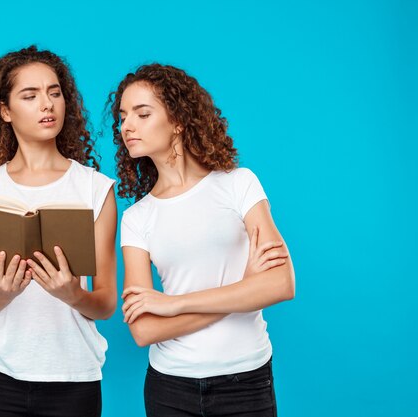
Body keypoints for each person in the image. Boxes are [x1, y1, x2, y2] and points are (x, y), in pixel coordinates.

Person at [108, 63, 295, 417]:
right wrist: (244, 289)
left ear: (178, 120)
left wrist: (174, 304)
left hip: (247, 381)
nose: (126, 126)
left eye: (142, 113)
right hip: (170, 387)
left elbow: (281, 284)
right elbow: (144, 330)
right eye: (122, 117)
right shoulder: (136, 219)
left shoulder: (238, 185)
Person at [0, 46, 117, 417]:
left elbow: (106, 303)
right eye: (31, 95)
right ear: (5, 111)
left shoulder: (96, 189)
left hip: (74, 377)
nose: (47, 104)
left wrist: (72, 293)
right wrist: (3, 294)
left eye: (54, 92)